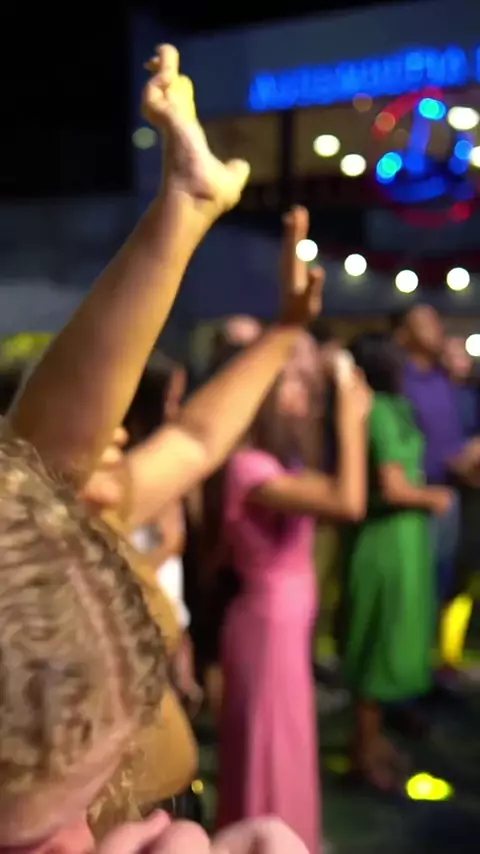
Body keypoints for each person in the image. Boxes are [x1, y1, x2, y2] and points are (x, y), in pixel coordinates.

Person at [0, 43, 323, 849]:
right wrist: (182, 209)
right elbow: (53, 449)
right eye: (101, 413)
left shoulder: (111, 512)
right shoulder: (32, 548)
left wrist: (286, 332)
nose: (117, 429)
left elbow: (202, 436)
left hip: (174, 814)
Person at [215, 215, 371, 853]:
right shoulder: (248, 468)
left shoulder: (280, 462)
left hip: (285, 621)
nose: (304, 396)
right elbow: (349, 502)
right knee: (267, 747)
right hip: (265, 623)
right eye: (293, 385)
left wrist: (293, 258)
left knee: (286, 742)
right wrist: (353, 417)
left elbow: (290, 331)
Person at [338, 332, 452, 792]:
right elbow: (392, 486)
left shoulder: (396, 408)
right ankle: (363, 752)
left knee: (392, 638)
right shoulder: (375, 412)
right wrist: (433, 497)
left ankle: (374, 741)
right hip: (383, 543)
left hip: (405, 541)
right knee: (375, 643)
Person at [391, 305, 480, 683]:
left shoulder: (444, 380)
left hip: (451, 495)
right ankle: (404, 679)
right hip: (417, 499)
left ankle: (436, 668)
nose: (436, 328)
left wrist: (469, 452)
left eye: (435, 320)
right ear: (403, 335)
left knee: (446, 584)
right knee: (414, 592)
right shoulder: (399, 382)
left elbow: (455, 431)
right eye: (424, 323)